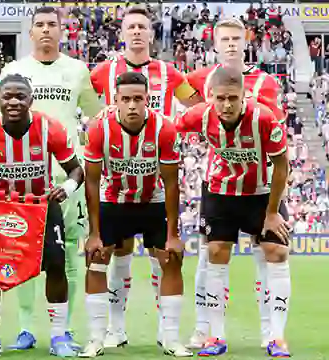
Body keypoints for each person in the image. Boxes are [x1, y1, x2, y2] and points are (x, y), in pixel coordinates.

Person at [0, 6, 103, 349]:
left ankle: (64, 329)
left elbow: (97, 117)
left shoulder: (78, 70)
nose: (45, 30)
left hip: (68, 176)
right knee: (21, 251)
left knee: (70, 251)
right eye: (38, 25)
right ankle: (25, 328)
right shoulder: (14, 70)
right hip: (22, 175)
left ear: (61, 30)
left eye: (51, 25)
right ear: (30, 32)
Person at [89, 5, 201, 347]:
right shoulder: (102, 72)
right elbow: (85, 101)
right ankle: (114, 330)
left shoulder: (170, 73)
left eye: (142, 27)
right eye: (131, 27)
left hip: (157, 163)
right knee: (116, 254)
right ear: (122, 34)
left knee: (162, 257)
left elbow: (196, 104)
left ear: (152, 34)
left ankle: (167, 335)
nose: (137, 32)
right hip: (117, 175)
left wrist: (179, 128)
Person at [0, 73, 84, 358]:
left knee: (57, 265)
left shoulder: (49, 127)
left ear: (31, 100)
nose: (13, 101)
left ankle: (59, 336)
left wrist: (67, 188)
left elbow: (76, 169)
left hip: (42, 206)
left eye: (20, 96)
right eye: (7, 97)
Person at [185, 18, 287, 350]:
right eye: (224, 38)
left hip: (260, 189)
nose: (226, 105)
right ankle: (208, 331)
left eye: (236, 38)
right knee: (211, 253)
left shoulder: (266, 94)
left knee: (274, 251)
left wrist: (273, 212)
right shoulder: (201, 88)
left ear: (246, 42)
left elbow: (280, 159)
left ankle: (274, 335)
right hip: (219, 188)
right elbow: (171, 113)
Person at [80, 72, 191, 358]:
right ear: (115, 100)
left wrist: (173, 235)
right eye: (125, 99)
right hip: (113, 201)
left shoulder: (164, 129)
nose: (132, 105)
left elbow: (171, 183)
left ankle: (170, 338)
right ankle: (96, 338)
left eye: (138, 99)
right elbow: (91, 181)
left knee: (170, 259)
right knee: (96, 261)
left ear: (147, 100)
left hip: (152, 201)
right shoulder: (98, 129)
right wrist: (93, 234)